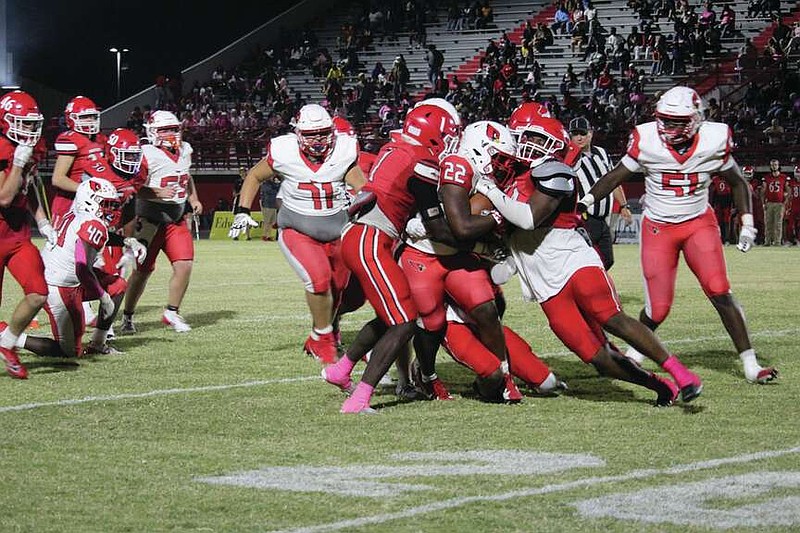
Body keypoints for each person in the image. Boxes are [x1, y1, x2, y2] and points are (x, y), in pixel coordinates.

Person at [476, 114, 703, 405]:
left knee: (613, 319)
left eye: (536, 138)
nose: (529, 144)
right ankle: (660, 385)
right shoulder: (507, 175)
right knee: (598, 358)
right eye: (526, 137)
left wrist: (490, 191)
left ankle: (682, 374)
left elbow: (528, 218)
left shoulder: (555, 170)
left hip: (573, 262)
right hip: (544, 282)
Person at [579, 86, 777, 384]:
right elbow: (615, 176)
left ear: (696, 119)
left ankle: (750, 363)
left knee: (719, 289)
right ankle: (635, 354)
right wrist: (584, 202)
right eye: (664, 120)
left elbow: (738, 182)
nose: (668, 128)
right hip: (659, 227)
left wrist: (747, 222)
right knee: (658, 308)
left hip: (698, 223)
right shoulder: (646, 139)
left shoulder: (714, 139)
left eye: (677, 121)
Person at [320, 99, 461, 413]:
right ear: (435, 132)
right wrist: (472, 241)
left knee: (394, 314)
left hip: (365, 237)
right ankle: (359, 399)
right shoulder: (420, 160)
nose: (452, 140)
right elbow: (436, 226)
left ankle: (340, 369)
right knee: (404, 323)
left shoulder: (395, 148)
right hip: (372, 239)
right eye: (450, 133)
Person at [228, 104, 365, 364]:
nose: (318, 140)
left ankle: (318, 336)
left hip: (338, 231)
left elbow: (361, 184)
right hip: (297, 228)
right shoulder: (284, 151)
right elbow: (255, 176)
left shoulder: (345, 149)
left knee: (337, 289)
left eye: (323, 133)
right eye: (311, 134)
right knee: (318, 280)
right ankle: (325, 342)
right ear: (298, 133)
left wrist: (364, 198)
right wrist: (242, 210)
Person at [401, 121, 523, 402]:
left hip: (455, 255)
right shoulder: (459, 164)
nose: (503, 165)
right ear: (480, 149)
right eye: (499, 157)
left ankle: (504, 374)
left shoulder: (481, 174)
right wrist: (497, 217)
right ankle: (426, 375)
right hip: (423, 252)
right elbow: (461, 228)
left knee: (487, 310)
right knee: (430, 321)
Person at [120, 110, 203, 334]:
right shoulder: (146, 153)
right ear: (152, 132)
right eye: (164, 130)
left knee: (184, 264)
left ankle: (171, 312)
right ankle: (127, 316)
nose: (169, 134)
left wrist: (193, 198)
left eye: (173, 129)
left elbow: (186, 175)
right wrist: (156, 192)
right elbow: (134, 187)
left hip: (176, 219)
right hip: (149, 220)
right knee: (142, 271)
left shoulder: (185, 150)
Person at [42, 178, 129, 356]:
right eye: (105, 204)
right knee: (68, 352)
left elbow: (99, 238)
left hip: (63, 278)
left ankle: (98, 344)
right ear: (89, 200)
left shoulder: (77, 215)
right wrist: (103, 297)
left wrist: (128, 241)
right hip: (59, 286)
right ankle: (6, 335)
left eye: (112, 205)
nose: (111, 210)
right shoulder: (92, 222)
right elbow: (82, 269)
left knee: (117, 286)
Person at [0, 91, 50, 378]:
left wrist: (43, 222)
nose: (31, 130)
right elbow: (4, 198)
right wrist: (18, 162)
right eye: (25, 123)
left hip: (18, 234)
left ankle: (8, 344)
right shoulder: (4, 149)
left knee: (37, 293)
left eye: (33, 124)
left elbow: (28, 188)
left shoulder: (28, 149)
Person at [568, 117, 632, 270]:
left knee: (607, 259)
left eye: (582, 133)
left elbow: (614, 181)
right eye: (574, 134)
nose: (578, 138)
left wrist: (624, 205)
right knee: (584, 261)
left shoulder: (602, 153)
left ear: (590, 133)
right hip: (584, 218)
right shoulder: (568, 157)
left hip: (602, 219)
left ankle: (591, 288)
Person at [761, 159, 790, 246]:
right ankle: (767, 241)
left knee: (778, 223)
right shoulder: (766, 177)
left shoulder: (783, 177)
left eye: (775, 165)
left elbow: (789, 191)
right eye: (772, 165)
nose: (774, 166)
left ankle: (777, 242)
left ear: (778, 166)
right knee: (768, 223)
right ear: (770, 166)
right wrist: (763, 203)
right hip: (769, 203)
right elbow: (763, 191)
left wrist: (785, 202)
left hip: (779, 203)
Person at [259, 175, 281, 242]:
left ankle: (269, 235)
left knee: (272, 222)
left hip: (273, 205)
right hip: (267, 205)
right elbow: (270, 191)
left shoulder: (273, 184)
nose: (271, 178)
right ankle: (264, 235)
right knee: (267, 221)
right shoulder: (265, 184)